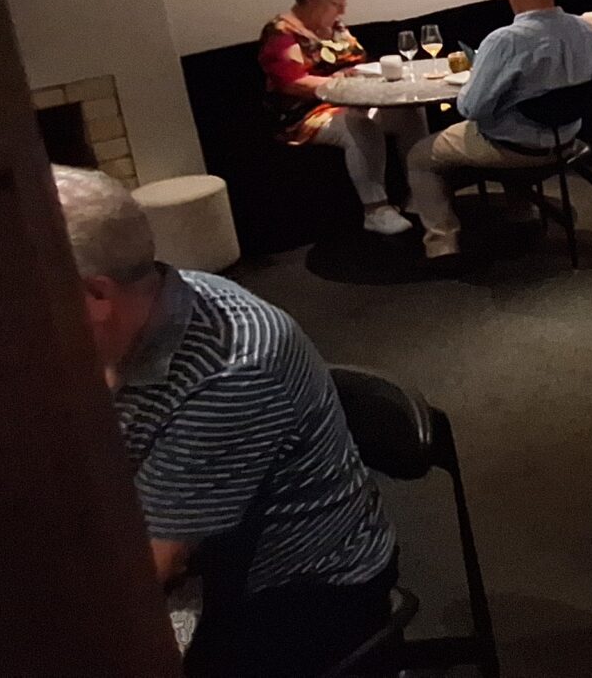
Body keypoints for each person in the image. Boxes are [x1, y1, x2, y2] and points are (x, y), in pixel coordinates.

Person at [53, 166, 396, 678]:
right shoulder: (150, 304)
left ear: (96, 295)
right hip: (221, 556)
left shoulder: (231, 369)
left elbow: (144, 571)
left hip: (309, 590)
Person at [404, 0, 592, 259]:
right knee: (514, 114)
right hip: (567, 139)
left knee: (420, 155)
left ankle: (441, 244)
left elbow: (472, 108)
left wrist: (474, 81)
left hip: (516, 150)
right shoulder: (585, 30)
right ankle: (520, 214)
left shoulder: (504, 41)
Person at [258, 0, 424, 236]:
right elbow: (292, 82)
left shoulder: (332, 27)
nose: (342, 12)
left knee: (410, 111)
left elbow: (358, 60)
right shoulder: (282, 32)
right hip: (305, 114)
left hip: (352, 100)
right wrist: (341, 86)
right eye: (337, 4)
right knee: (356, 123)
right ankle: (376, 210)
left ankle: (419, 193)